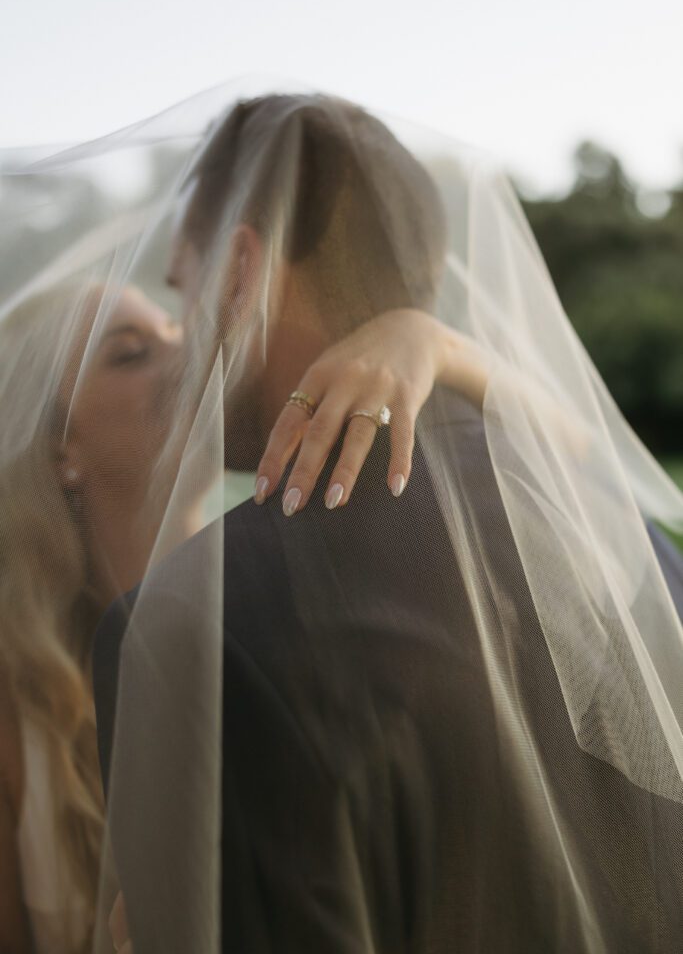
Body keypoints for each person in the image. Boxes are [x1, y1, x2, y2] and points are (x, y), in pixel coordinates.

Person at [91, 91, 683, 953]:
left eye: (186, 289)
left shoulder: (190, 621)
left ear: (242, 270)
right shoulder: (631, 540)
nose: (184, 345)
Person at [0, 267, 488, 949]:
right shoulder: (18, 716)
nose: (193, 349)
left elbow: (582, 461)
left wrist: (428, 342)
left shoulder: (278, 622)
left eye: (178, 325)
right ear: (57, 447)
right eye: (132, 352)